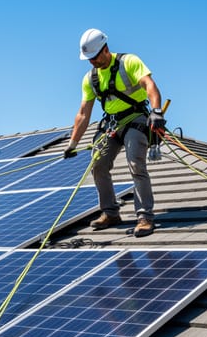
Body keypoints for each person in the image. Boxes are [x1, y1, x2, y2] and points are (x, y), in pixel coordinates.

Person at [63, 29, 166, 237]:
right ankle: (110, 213)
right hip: (110, 125)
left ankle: (145, 216)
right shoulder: (90, 78)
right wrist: (72, 144)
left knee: (135, 163)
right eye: (89, 59)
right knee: (98, 165)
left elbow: (150, 85)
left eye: (95, 57)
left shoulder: (129, 62)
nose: (92, 62)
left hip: (135, 119)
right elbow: (83, 113)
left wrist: (155, 111)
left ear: (105, 49)